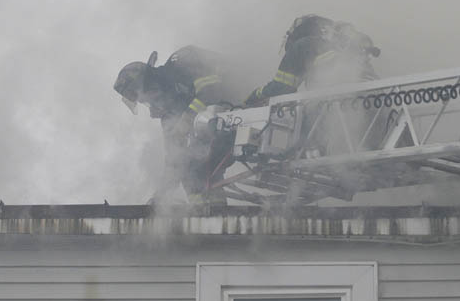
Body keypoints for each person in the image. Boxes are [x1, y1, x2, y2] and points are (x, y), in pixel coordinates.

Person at [113, 45, 237, 205]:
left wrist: (185, 121)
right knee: (190, 166)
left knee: (196, 165)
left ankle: (210, 210)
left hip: (240, 109)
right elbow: (174, 160)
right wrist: (160, 196)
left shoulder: (181, 63)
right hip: (222, 132)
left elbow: (211, 90)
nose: (148, 101)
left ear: (149, 83)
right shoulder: (169, 114)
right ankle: (204, 210)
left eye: (143, 96)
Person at [244, 15, 380, 106]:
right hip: (374, 104)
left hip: (337, 109)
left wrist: (256, 95)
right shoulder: (345, 51)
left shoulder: (302, 46)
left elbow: (282, 88)